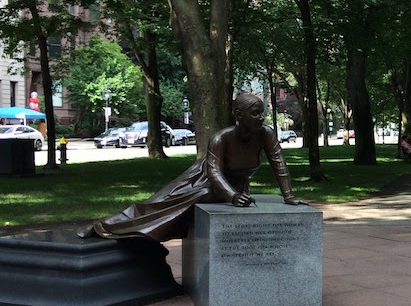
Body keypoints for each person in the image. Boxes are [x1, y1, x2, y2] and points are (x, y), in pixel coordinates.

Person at [78, 93, 305, 242]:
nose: (261, 117)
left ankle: (140, 231)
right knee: (158, 204)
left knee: (199, 199)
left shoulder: (265, 134)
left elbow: (279, 163)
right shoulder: (221, 138)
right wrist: (233, 196)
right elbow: (214, 171)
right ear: (238, 115)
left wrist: (288, 196)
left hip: (234, 185)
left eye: (261, 112)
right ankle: (107, 226)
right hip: (202, 179)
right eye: (255, 113)